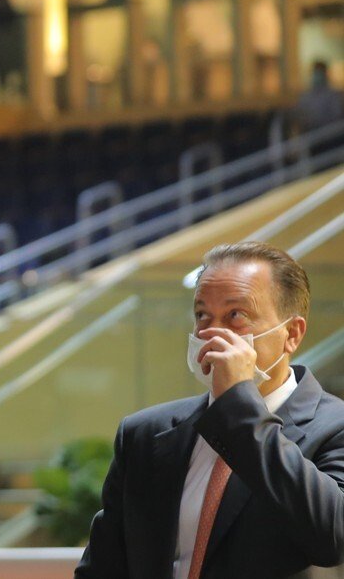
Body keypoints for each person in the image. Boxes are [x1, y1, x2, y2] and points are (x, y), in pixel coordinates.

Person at [77, 242, 344, 578]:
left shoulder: (335, 427)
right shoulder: (144, 433)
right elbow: (103, 568)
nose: (211, 333)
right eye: (203, 314)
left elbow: (332, 539)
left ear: (292, 334)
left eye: (236, 315)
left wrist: (238, 404)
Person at [295, 60, 343, 134]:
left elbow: (337, 117)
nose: (317, 76)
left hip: (329, 137)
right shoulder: (305, 97)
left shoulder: (334, 96)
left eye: (320, 72)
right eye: (315, 72)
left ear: (325, 74)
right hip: (310, 137)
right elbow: (300, 117)